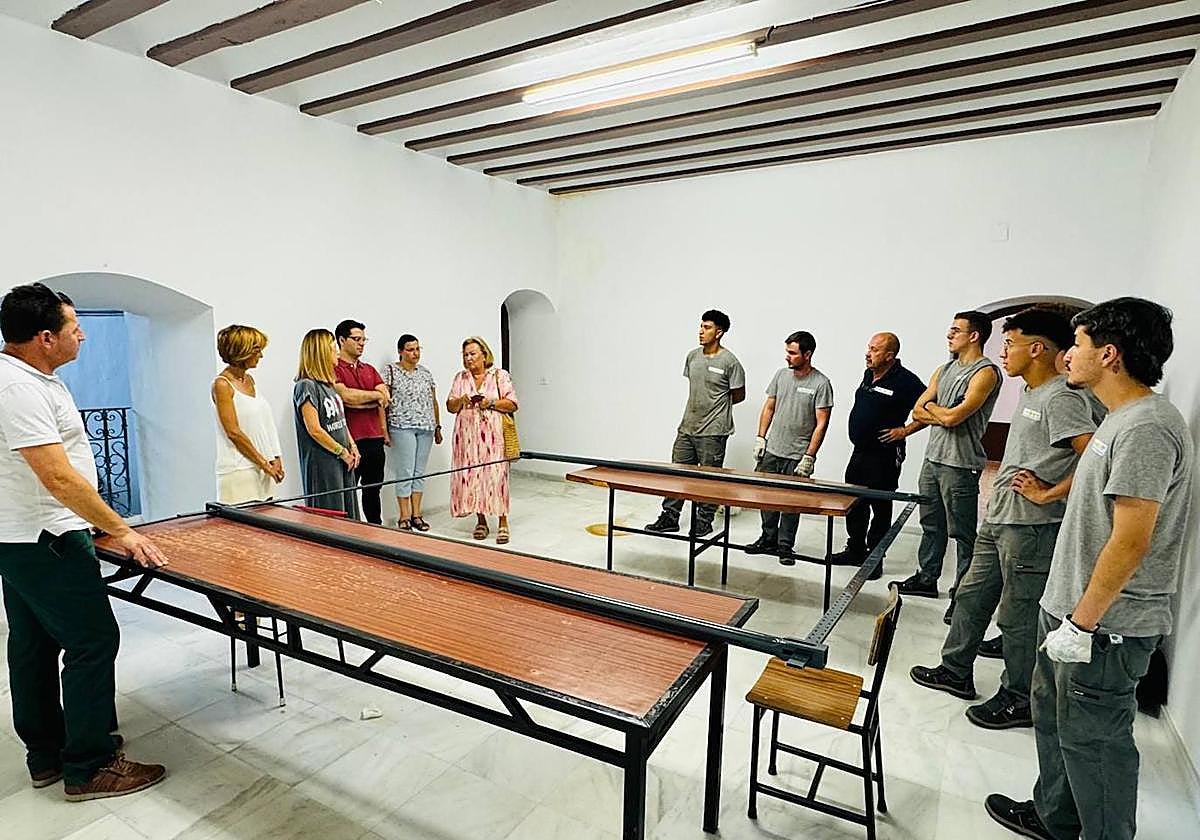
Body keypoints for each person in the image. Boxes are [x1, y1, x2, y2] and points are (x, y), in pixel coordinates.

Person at [985, 298, 1193, 840]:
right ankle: (1055, 815)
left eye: (1075, 346)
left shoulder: (1147, 426)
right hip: (1072, 609)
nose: (1066, 357)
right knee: (1059, 725)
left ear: (1109, 354)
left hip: (1104, 626)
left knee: (1095, 743)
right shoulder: (1120, 418)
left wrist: (1082, 623)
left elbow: (1131, 539)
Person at [0, 282, 167, 801]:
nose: (83, 335)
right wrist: (122, 528)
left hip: (23, 537)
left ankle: (47, 756)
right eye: (76, 328)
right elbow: (58, 477)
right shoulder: (18, 388)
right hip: (46, 536)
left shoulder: (30, 378)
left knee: (32, 645)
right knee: (93, 641)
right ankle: (90, 765)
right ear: (46, 337)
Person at [909, 308, 1094, 731]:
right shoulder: (1031, 392)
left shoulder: (1062, 397)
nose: (1003, 352)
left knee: (1018, 614)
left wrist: (1048, 492)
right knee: (971, 597)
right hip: (1001, 516)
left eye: (1010, 343)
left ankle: (1019, 696)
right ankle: (955, 670)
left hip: (1031, 525)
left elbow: (1096, 457)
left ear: (1038, 348)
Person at [896, 310, 1002, 623]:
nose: (949, 335)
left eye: (956, 330)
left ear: (974, 335)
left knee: (964, 534)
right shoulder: (944, 370)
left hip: (961, 463)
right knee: (931, 524)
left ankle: (962, 595)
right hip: (933, 459)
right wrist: (940, 413)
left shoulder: (986, 373)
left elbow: (956, 418)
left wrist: (937, 412)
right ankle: (927, 578)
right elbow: (918, 408)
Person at [830, 332, 925, 575]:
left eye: (874, 349)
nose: (867, 353)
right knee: (854, 501)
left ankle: (874, 559)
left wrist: (904, 431)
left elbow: (928, 410)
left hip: (884, 455)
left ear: (889, 355)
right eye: (868, 347)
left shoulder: (906, 381)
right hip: (860, 452)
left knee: (880, 508)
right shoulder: (869, 374)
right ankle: (855, 550)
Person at [645, 310, 746, 537]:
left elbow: (738, 395)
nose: (701, 331)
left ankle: (704, 521)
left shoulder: (730, 362)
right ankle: (669, 517)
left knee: (709, 479)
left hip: (714, 430)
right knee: (677, 473)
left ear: (719, 332)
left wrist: (717, 410)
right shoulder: (692, 357)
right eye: (700, 326)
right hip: (687, 427)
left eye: (707, 327)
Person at [743, 331, 833, 563]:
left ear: (808, 354)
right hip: (773, 450)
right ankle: (768, 538)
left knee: (791, 502)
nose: (787, 357)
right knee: (767, 497)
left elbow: (821, 423)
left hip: (797, 455)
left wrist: (809, 456)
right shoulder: (781, 376)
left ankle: (785, 546)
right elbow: (769, 407)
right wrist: (760, 438)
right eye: (787, 352)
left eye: (792, 353)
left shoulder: (821, 384)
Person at [446, 336, 518, 544]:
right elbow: (450, 406)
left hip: (493, 439)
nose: (469, 358)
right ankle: (481, 520)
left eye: (473, 354)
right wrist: (461, 400)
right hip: (467, 439)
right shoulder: (461, 378)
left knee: (496, 477)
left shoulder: (499, 375)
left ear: (484, 354)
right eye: (465, 354)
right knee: (472, 477)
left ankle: (503, 522)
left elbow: (513, 403)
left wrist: (490, 402)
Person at [211, 324, 284, 504]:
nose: (261, 355)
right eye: (256, 350)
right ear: (241, 351)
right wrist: (264, 464)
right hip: (239, 472)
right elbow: (233, 432)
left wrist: (275, 457)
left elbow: (264, 424)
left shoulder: (250, 380)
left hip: (262, 470)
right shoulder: (222, 384)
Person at [294, 328, 360, 518]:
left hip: (343, 459)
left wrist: (352, 446)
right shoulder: (306, 385)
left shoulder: (329, 385)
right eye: (333, 348)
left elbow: (340, 420)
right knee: (330, 515)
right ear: (321, 352)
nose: (338, 352)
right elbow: (314, 429)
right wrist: (341, 452)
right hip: (324, 463)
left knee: (348, 512)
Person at [384, 334, 442, 531]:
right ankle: (404, 516)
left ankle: (417, 514)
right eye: (410, 349)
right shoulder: (391, 371)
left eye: (418, 349)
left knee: (419, 472)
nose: (415, 353)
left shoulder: (425, 373)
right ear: (401, 351)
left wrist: (438, 426)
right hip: (402, 426)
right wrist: (384, 430)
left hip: (425, 427)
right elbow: (383, 402)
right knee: (405, 471)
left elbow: (433, 401)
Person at [333, 319, 389, 524]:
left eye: (364, 339)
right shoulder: (334, 367)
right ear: (341, 340)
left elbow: (385, 397)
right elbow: (346, 398)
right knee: (347, 490)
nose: (362, 343)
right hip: (350, 440)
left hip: (374, 438)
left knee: (373, 489)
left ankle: (376, 527)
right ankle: (348, 532)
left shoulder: (369, 369)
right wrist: (373, 397)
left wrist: (367, 399)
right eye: (357, 339)